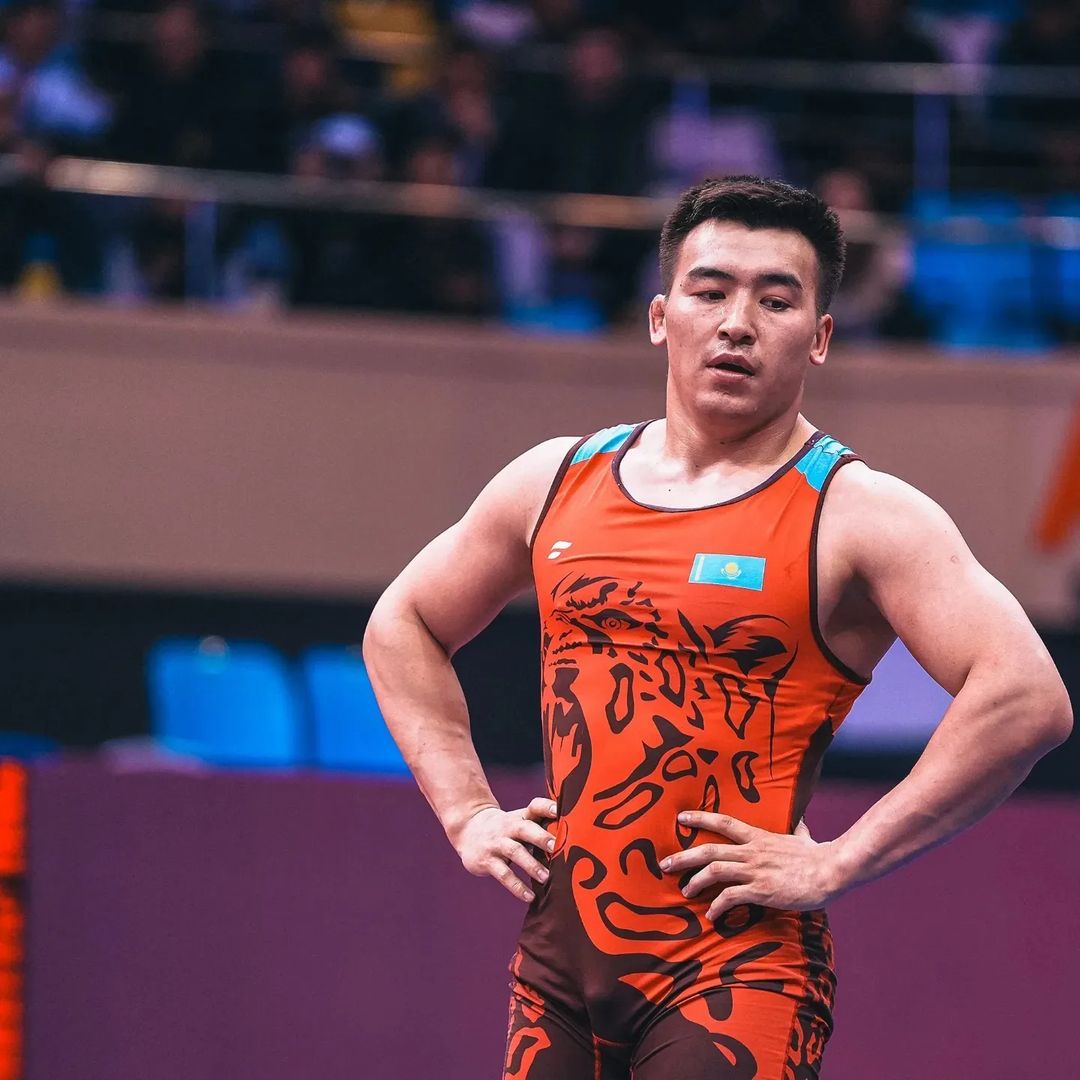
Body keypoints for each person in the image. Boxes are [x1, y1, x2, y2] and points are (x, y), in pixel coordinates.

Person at [362, 175, 1072, 1078]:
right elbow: (404, 623)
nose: (738, 323)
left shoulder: (860, 515)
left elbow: (1026, 697)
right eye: (711, 292)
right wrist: (467, 812)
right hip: (555, 972)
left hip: (737, 973)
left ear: (819, 338)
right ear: (661, 318)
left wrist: (841, 860)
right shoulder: (554, 480)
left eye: (776, 301)